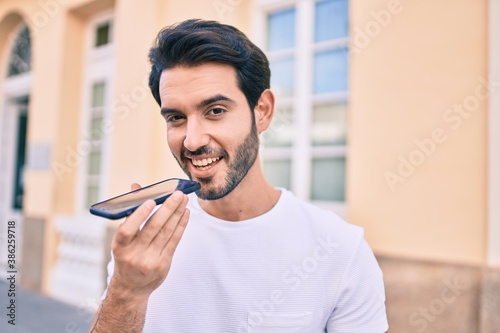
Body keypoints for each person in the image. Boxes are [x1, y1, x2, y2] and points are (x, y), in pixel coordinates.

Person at [89, 19, 388, 333]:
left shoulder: (340, 249)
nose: (192, 141)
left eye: (215, 110)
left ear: (263, 111)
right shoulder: (145, 243)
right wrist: (126, 291)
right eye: (176, 117)